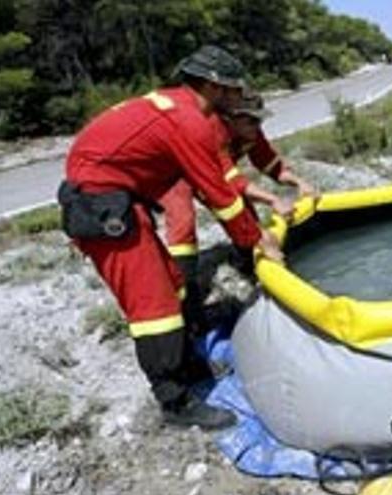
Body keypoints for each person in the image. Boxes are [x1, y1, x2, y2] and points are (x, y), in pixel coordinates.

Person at [57, 45, 283, 431]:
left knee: (175, 283)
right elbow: (220, 196)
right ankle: (174, 403)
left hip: (118, 199)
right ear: (213, 86)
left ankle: (189, 364)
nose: (237, 98)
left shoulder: (176, 107)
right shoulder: (188, 121)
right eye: (233, 90)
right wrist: (258, 240)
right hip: (102, 207)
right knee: (154, 306)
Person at [160, 91, 315, 330]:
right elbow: (232, 183)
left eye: (260, 120)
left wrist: (298, 182)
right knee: (183, 226)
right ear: (231, 118)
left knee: (247, 221)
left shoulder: (251, 132)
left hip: (211, 175)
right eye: (252, 121)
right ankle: (183, 300)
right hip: (176, 172)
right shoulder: (211, 130)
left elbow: (270, 164)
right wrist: (273, 199)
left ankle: (253, 269)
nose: (258, 126)